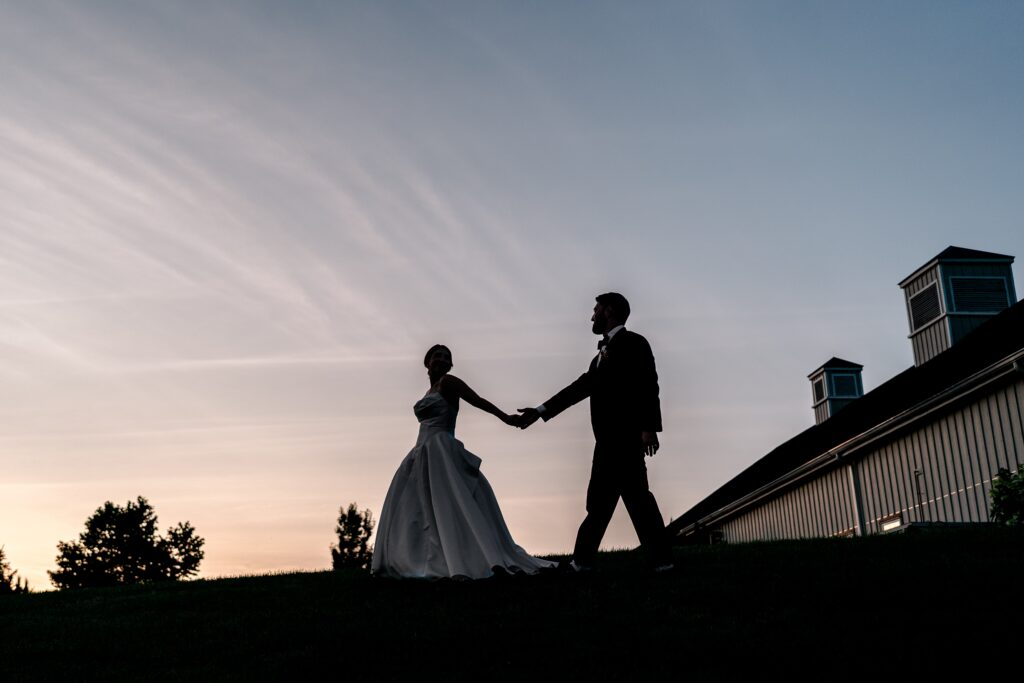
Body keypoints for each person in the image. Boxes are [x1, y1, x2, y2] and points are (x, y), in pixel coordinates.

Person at [518, 293, 673, 572]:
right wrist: (540, 411)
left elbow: (649, 384)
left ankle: (660, 561)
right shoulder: (598, 359)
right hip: (605, 442)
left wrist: (649, 428)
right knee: (600, 503)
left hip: (626, 439)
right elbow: (578, 389)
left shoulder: (635, 343)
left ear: (609, 311)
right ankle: (583, 561)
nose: (592, 316)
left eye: (595, 309)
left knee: (638, 500)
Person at [371, 344, 555, 579]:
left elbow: (477, 400)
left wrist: (506, 418)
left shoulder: (449, 383)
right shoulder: (429, 392)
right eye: (438, 355)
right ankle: (420, 557)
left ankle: (468, 557)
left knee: (449, 503)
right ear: (427, 362)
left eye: (447, 357)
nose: (443, 360)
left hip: (441, 449)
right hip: (421, 451)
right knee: (420, 506)